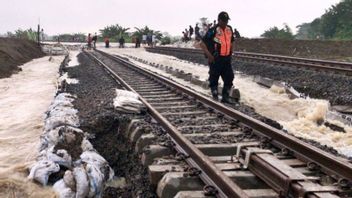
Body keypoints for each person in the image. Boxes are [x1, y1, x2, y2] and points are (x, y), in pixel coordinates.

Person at [199, 11, 235, 103]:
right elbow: (202, 43)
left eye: (227, 21)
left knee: (229, 77)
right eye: (223, 21)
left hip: (226, 58)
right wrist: (209, 55)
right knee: (214, 77)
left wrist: (231, 51)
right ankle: (214, 95)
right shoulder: (213, 30)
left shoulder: (229, 29)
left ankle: (225, 97)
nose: (225, 23)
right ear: (219, 20)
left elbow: (231, 41)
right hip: (216, 58)